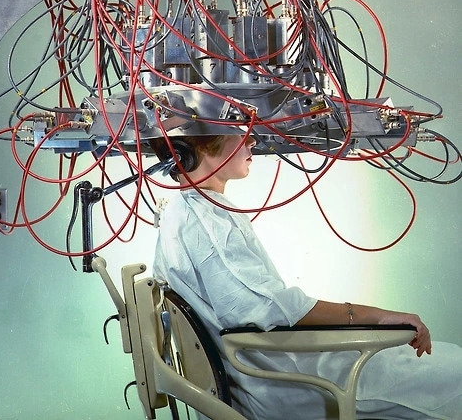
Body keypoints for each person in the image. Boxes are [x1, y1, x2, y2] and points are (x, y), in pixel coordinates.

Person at [151, 133, 462, 420]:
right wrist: (378, 317)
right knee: (455, 374)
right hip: (292, 385)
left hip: (281, 371)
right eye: (241, 132)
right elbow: (268, 309)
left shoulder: (190, 212)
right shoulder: (204, 222)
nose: (253, 142)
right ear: (199, 146)